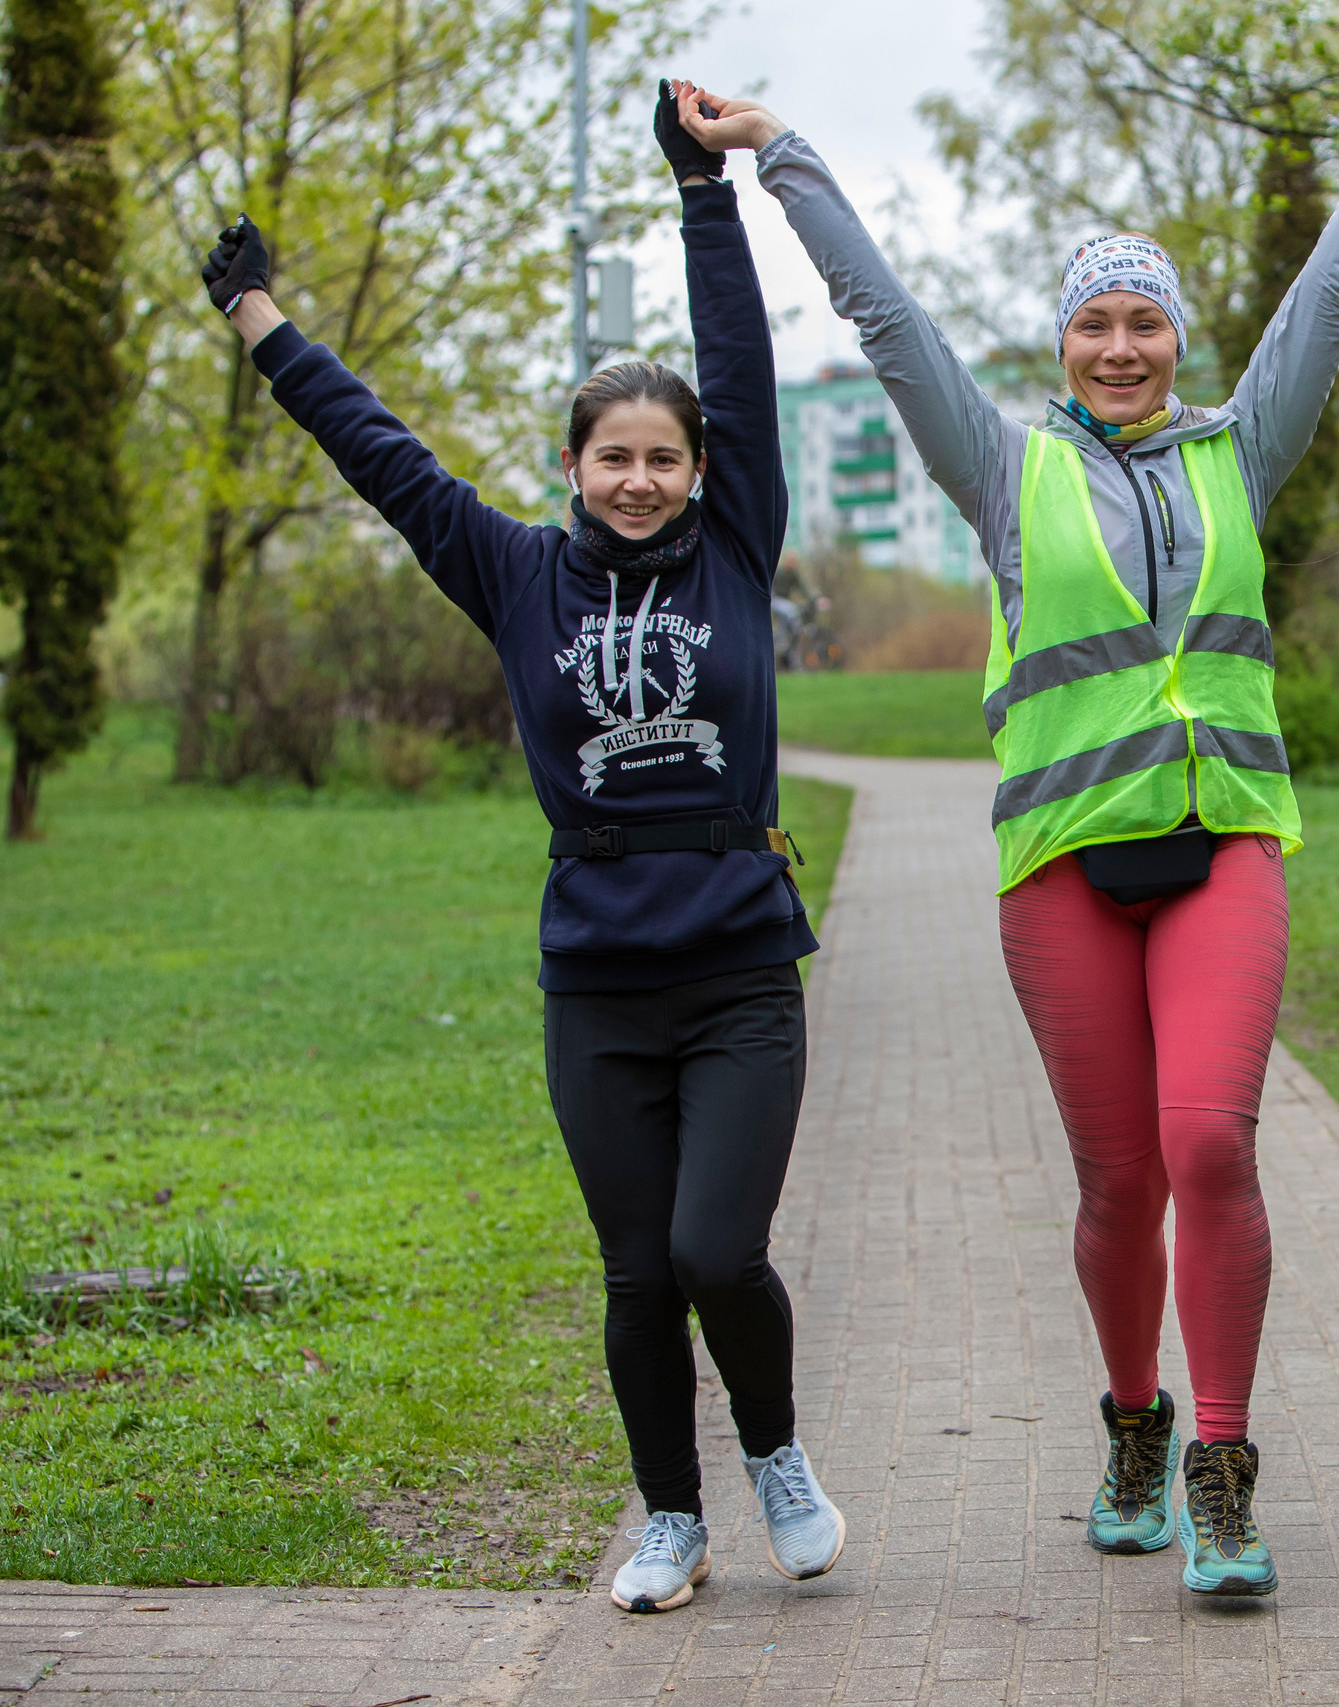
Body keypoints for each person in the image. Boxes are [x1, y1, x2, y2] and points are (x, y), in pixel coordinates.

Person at [667, 51, 1339, 1596]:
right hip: (1061, 867)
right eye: (1096, 322)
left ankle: (1224, 1474)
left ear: (1176, 340)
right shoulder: (1005, 468)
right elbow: (886, 320)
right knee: (1120, 1181)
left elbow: (1330, 297)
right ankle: (1134, 1422)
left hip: (1224, 847)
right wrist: (781, 150)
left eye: (1146, 322)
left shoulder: (1238, 451)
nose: (1122, 346)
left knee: (1211, 1144)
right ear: (1063, 340)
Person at [195, 83, 851, 1614]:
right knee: (634, 1275)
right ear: (574, 468)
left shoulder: (741, 543)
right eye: (611, 456)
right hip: (598, 983)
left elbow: (739, 363)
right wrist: (260, 319)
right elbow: (381, 453)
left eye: (662, 458)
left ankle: (777, 1456)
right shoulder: (512, 577)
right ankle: (672, 1522)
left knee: (712, 1252)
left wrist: (704, 191)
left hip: (744, 963)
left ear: (698, 471)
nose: (638, 478)